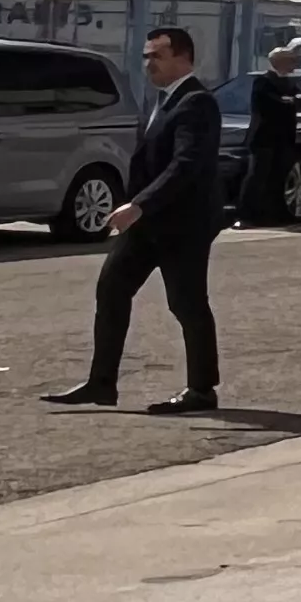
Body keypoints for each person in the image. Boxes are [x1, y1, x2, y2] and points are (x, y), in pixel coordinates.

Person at [46, 25, 223, 414]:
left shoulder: (197, 103)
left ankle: (202, 390)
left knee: (187, 304)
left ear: (182, 57)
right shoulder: (163, 100)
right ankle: (101, 383)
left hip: (181, 227)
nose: (148, 64)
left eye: (156, 56)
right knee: (111, 290)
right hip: (147, 225)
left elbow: (186, 165)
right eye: (145, 56)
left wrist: (138, 204)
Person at [232, 47, 301, 229]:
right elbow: (271, 103)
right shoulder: (262, 82)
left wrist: (292, 100)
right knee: (257, 177)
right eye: (290, 61)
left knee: (278, 177)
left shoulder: (288, 83)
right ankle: (246, 215)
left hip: (284, 137)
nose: (293, 66)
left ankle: (272, 214)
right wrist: (288, 101)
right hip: (264, 138)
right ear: (279, 62)